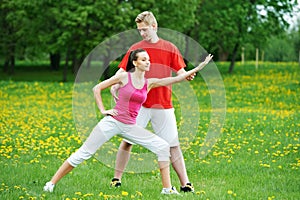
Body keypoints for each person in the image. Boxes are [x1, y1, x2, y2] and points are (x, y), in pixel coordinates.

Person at [43, 49, 213, 194]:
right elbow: (97, 88)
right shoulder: (124, 76)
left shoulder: (149, 83)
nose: (148, 62)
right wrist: (103, 110)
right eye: (144, 60)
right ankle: (51, 184)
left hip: (130, 126)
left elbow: (176, 79)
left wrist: (200, 67)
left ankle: (167, 189)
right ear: (135, 62)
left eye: (149, 60)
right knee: (84, 153)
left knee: (162, 147)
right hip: (113, 122)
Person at [110, 11, 196, 192]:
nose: (142, 33)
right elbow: (122, 71)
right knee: (127, 140)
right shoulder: (135, 48)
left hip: (163, 104)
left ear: (154, 27)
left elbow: (180, 72)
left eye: (145, 29)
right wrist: (114, 83)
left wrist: (187, 76)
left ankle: (185, 184)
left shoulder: (170, 48)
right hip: (138, 104)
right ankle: (116, 179)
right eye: (139, 30)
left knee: (173, 145)